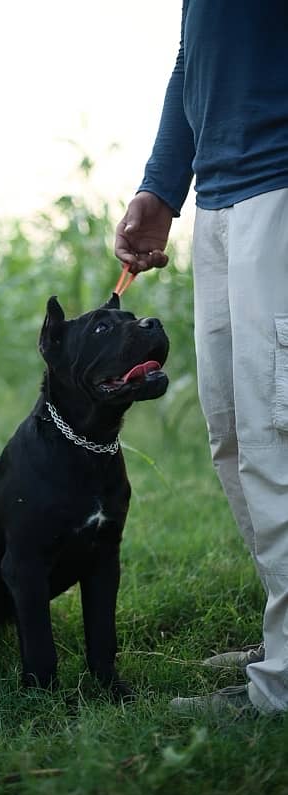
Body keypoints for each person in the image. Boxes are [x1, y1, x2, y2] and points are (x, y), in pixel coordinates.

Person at [115, 0, 288, 715]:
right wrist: (162, 184)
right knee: (237, 435)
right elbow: (196, 52)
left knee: (280, 437)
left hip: (279, 186)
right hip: (219, 198)